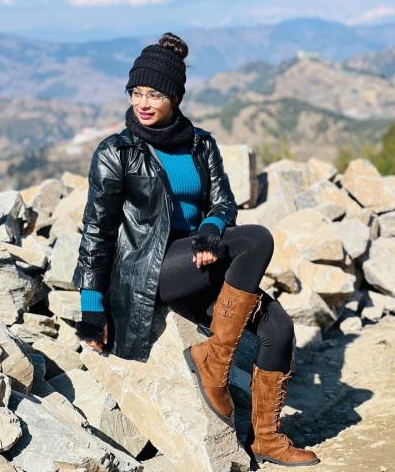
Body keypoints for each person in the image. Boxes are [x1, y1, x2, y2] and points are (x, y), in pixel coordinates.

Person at [72, 32, 319, 467]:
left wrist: (209, 231)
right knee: (257, 238)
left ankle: (266, 437)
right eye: (136, 92)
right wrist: (92, 310)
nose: (143, 103)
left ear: (175, 97)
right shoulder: (117, 152)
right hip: (149, 272)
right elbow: (97, 231)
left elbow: (224, 204)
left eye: (155, 94)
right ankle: (213, 360)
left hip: (199, 261)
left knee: (278, 327)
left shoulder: (201, 144)